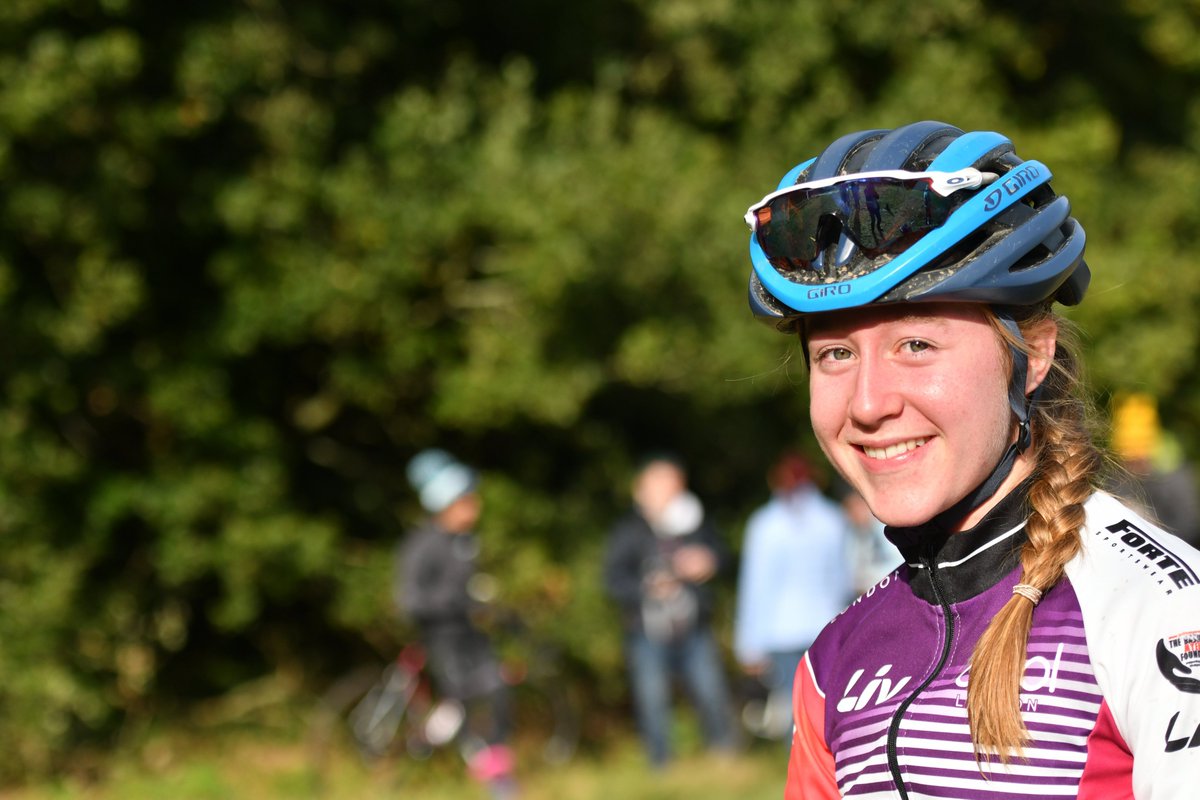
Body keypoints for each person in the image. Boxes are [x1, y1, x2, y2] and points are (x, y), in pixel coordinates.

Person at [741, 120, 1200, 798]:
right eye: (835, 354)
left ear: (1033, 355)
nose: (867, 404)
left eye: (916, 346)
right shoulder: (834, 663)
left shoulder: (1162, 613)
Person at [603, 454, 739, 768]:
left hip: (694, 626)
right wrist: (647, 588)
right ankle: (661, 763)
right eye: (661, 483)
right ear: (642, 489)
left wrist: (708, 561)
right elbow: (613, 580)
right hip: (647, 631)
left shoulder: (694, 522)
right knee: (652, 698)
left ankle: (724, 752)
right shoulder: (628, 530)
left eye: (674, 484)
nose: (670, 491)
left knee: (711, 690)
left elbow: (722, 556)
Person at [395, 448, 516, 798]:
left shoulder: (464, 542)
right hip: (442, 637)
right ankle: (495, 781)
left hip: (469, 634)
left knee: (494, 691)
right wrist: (453, 603)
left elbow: (465, 590)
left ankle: (494, 770)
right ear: (448, 504)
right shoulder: (422, 545)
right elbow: (410, 599)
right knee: (464, 701)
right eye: (467, 500)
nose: (476, 507)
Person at [733, 451, 854, 742]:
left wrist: (748, 644)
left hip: (782, 630)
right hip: (825, 625)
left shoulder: (765, 524)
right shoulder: (832, 519)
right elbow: (842, 579)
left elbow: (756, 586)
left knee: (792, 708)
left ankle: (798, 765)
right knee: (825, 704)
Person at [1108, 392, 1200, 549]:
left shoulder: (1174, 475)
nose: (1133, 464)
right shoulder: (1116, 477)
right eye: (1127, 458)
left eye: (1138, 457)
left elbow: (1189, 525)